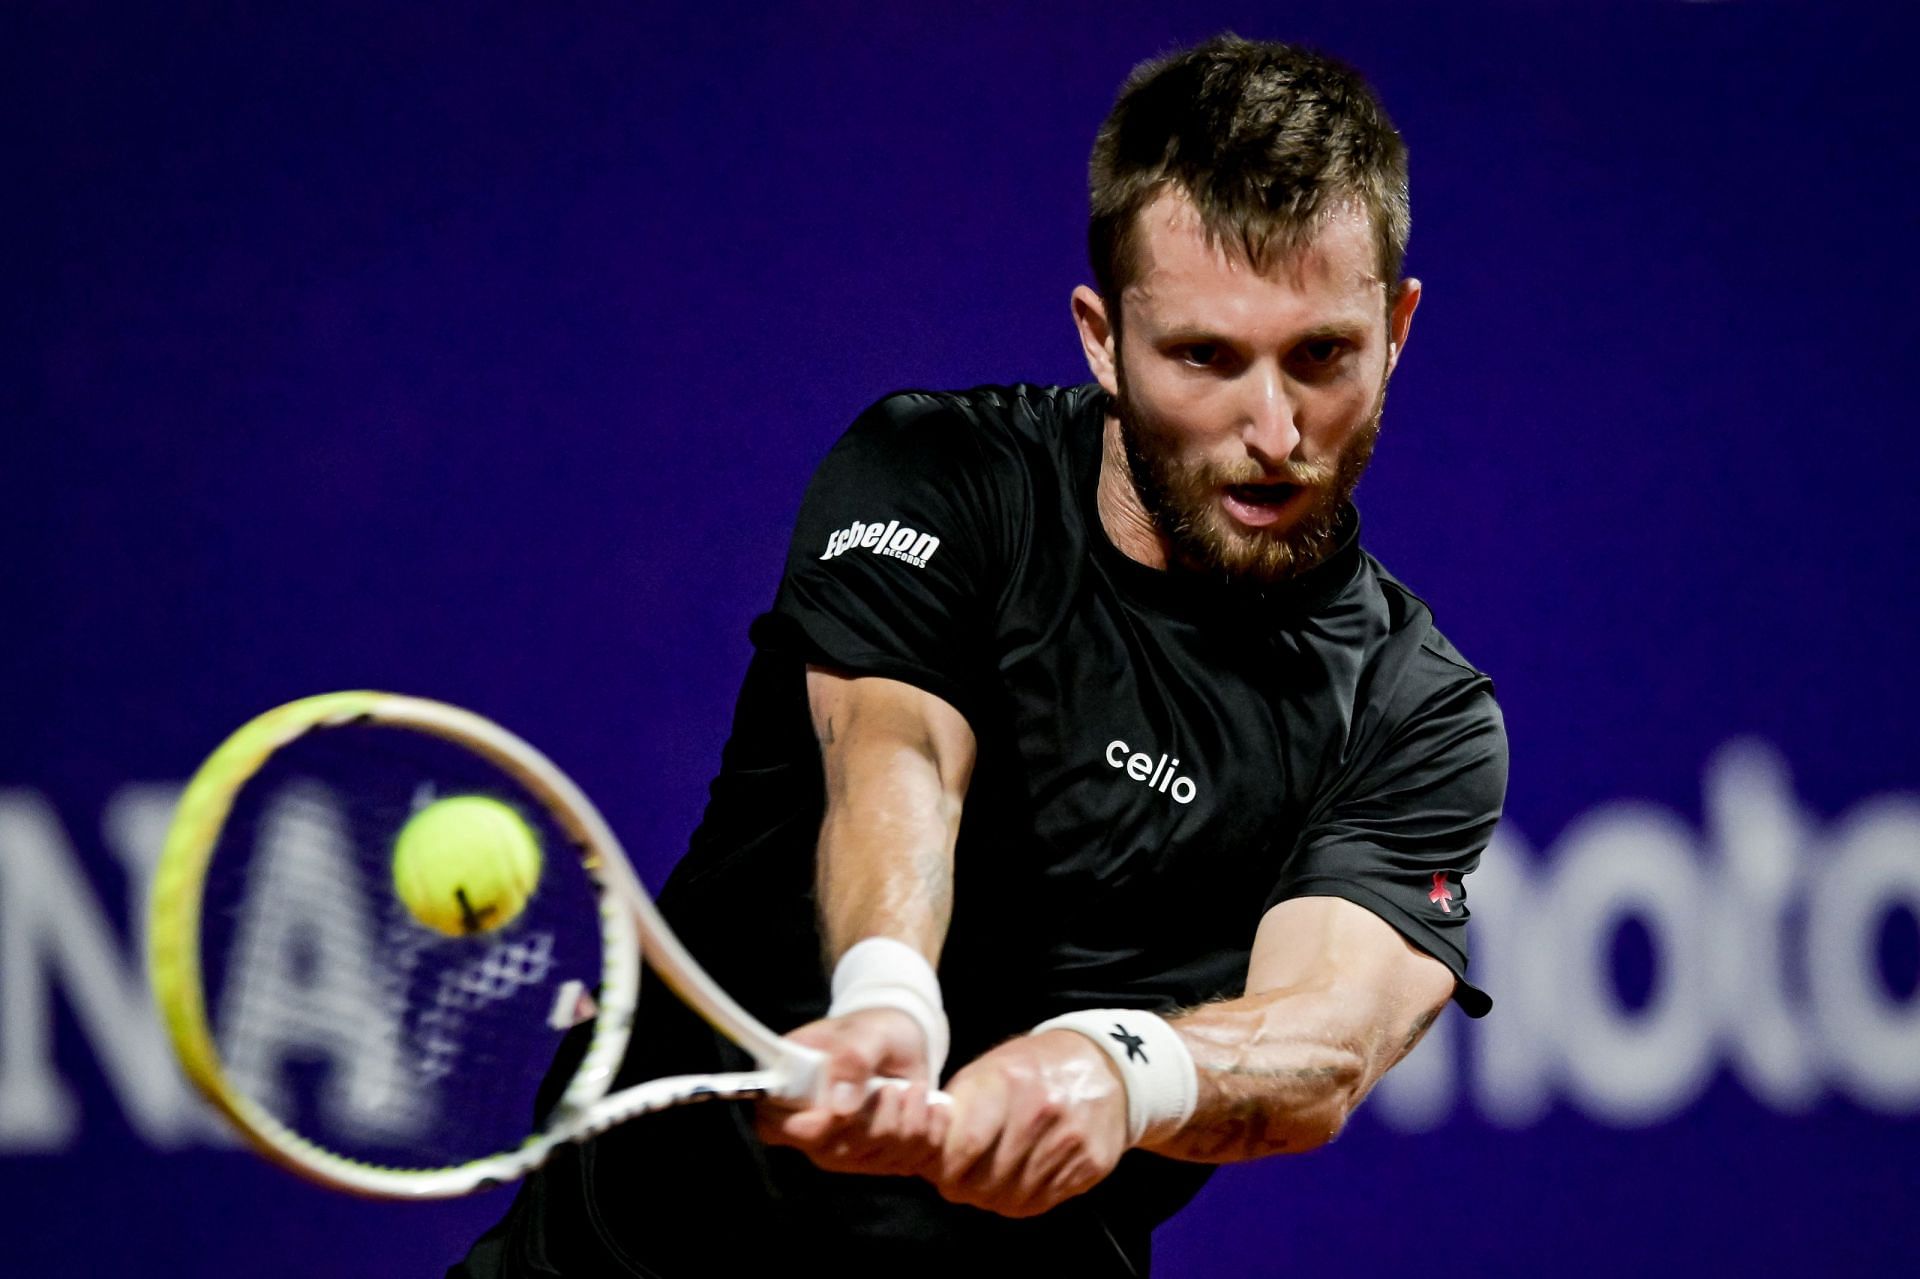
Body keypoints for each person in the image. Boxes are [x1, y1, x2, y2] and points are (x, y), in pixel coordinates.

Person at [455, 32, 1505, 1279]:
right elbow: (895, 758)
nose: (1271, 430)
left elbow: (1329, 1040)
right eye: (1204, 358)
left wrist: (1122, 1070)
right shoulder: (939, 474)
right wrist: (890, 999)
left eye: (1322, 355)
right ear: (1101, 338)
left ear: (1398, 325)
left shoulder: (1414, 710)